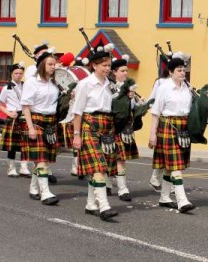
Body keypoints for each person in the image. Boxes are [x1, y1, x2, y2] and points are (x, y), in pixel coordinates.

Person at [72, 44, 119, 221]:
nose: (107, 68)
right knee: (98, 166)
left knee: (101, 168)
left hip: (107, 126)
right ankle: (104, 206)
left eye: (109, 65)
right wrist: (76, 135)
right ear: (94, 66)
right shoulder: (84, 84)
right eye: (104, 65)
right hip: (89, 125)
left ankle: (91, 204)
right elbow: (78, 111)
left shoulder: (112, 85)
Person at [148, 52, 195, 214]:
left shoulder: (187, 88)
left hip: (182, 128)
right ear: (170, 72)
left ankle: (164, 197)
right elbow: (155, 112)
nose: (183, 72)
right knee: (175, 165)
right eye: (179, 70)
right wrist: (152, 134)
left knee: (169, 167)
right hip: (167, 126)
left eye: (184, 70)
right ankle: (182, 201)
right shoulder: (164, 87)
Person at [20, 48, 60, 206]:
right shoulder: (31, 82)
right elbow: (26, 106)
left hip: (50, 122)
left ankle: (33, 189)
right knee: (42, 159)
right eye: (50, 64)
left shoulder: (55, 83)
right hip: (35, 120)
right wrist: (30, 127)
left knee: (42, 160)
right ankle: (45, 193)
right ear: (42, 65)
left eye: (54, 64)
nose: (53, 67)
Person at [106, 55, 137, 202]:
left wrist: (133, 100)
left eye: (127, 70)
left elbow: (132, 109)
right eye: (122, 70)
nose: (126, 73)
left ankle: (122, 188)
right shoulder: (109, 87)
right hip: (111, 126)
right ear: (114, 72)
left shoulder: (130, 89)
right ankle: (106, 183)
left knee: (121, 159)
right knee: (108, 157)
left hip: (125, 128)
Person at [0, 62, 31, 178]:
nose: (18, 75)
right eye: (16, 73)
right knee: (12, 145)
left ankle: (24, 168)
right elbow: (0, 105)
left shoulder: (26, 85)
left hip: (24, 116)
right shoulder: (6, 88)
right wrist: (9, 113)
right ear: (11, 74)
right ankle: (11, 169)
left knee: (25, 144)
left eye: (20, 73)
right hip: (13, 116)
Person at [148, 54, 172, 192]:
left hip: (176, 121)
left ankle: (156, 179)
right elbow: (153, 99)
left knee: (167, 154)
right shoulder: (160, 82)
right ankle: (168, 182)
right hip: (163, 119)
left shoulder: (183, 83)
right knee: (164, 153)